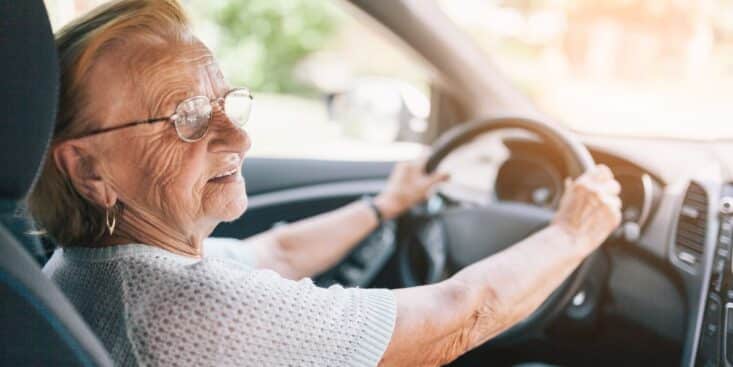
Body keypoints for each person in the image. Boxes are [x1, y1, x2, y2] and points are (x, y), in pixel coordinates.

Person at [28, 1, 622, 366]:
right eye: (184, 118)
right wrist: (574, 231)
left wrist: (384, 206)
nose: (238, 139)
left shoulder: (92, 270)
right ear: (88, 170)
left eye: (225, 103)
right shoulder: (185, 309)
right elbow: (455, 316)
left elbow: (276, 252)